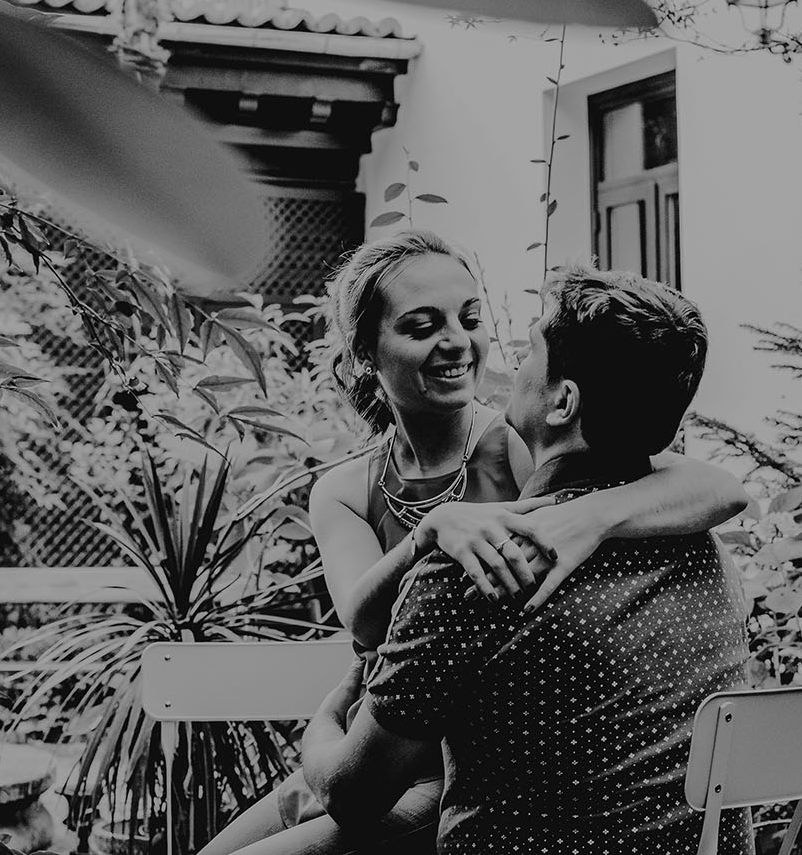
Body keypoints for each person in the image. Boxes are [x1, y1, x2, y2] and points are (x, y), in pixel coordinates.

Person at [201, 232, 748, 855]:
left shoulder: (519, 451)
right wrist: (427, 535)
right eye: (422, 326)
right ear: (364, 350)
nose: (461, 342)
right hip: (389, 739)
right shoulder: (352, 492)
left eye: (470, 318)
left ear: (563, 400)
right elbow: (366, 626)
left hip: (466, 778)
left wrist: (586, 518)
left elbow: (719, 487)